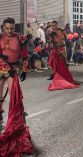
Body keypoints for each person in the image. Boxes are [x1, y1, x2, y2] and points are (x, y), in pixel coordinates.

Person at [0, 17, 33, 156]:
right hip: (1, 66)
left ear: (15, 28)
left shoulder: (20, 38)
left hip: (12, 69)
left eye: (12, 28)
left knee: (15, 92)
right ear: (3, 27)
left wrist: (24, 70)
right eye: (7, 28)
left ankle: (16, 117)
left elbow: (24, 56)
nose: (9, 30)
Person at [47, 21, 79, 90]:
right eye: (52, 25)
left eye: (55, 25)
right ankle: (55, 76)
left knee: (63, 64)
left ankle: (66, 78)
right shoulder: (51, 33)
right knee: (55, 64)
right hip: (55, 50)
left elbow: (66, 39)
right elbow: (50, 44)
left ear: (57, 25)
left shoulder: (61, 31)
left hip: (62, 49)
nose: (54, 26)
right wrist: (51, 47)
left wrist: (69, 43)